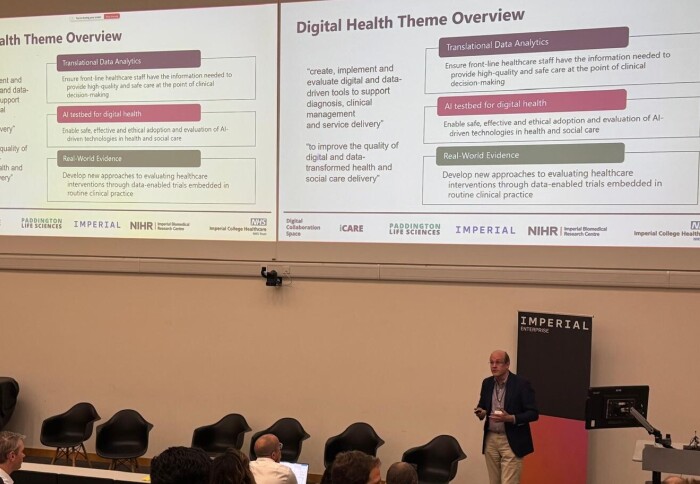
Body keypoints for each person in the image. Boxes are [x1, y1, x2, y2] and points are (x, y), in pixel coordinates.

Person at [474, 350, 538, 484]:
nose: (494, 366)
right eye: (491, 362)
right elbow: (482, 405)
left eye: (498, 362)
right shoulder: (487, 383)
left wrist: (511, 418)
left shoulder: (521, 384)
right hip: (491, 439)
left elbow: (533, 413)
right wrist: (481, 412)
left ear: (507, 364)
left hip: (511, 440)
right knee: (494, 481)